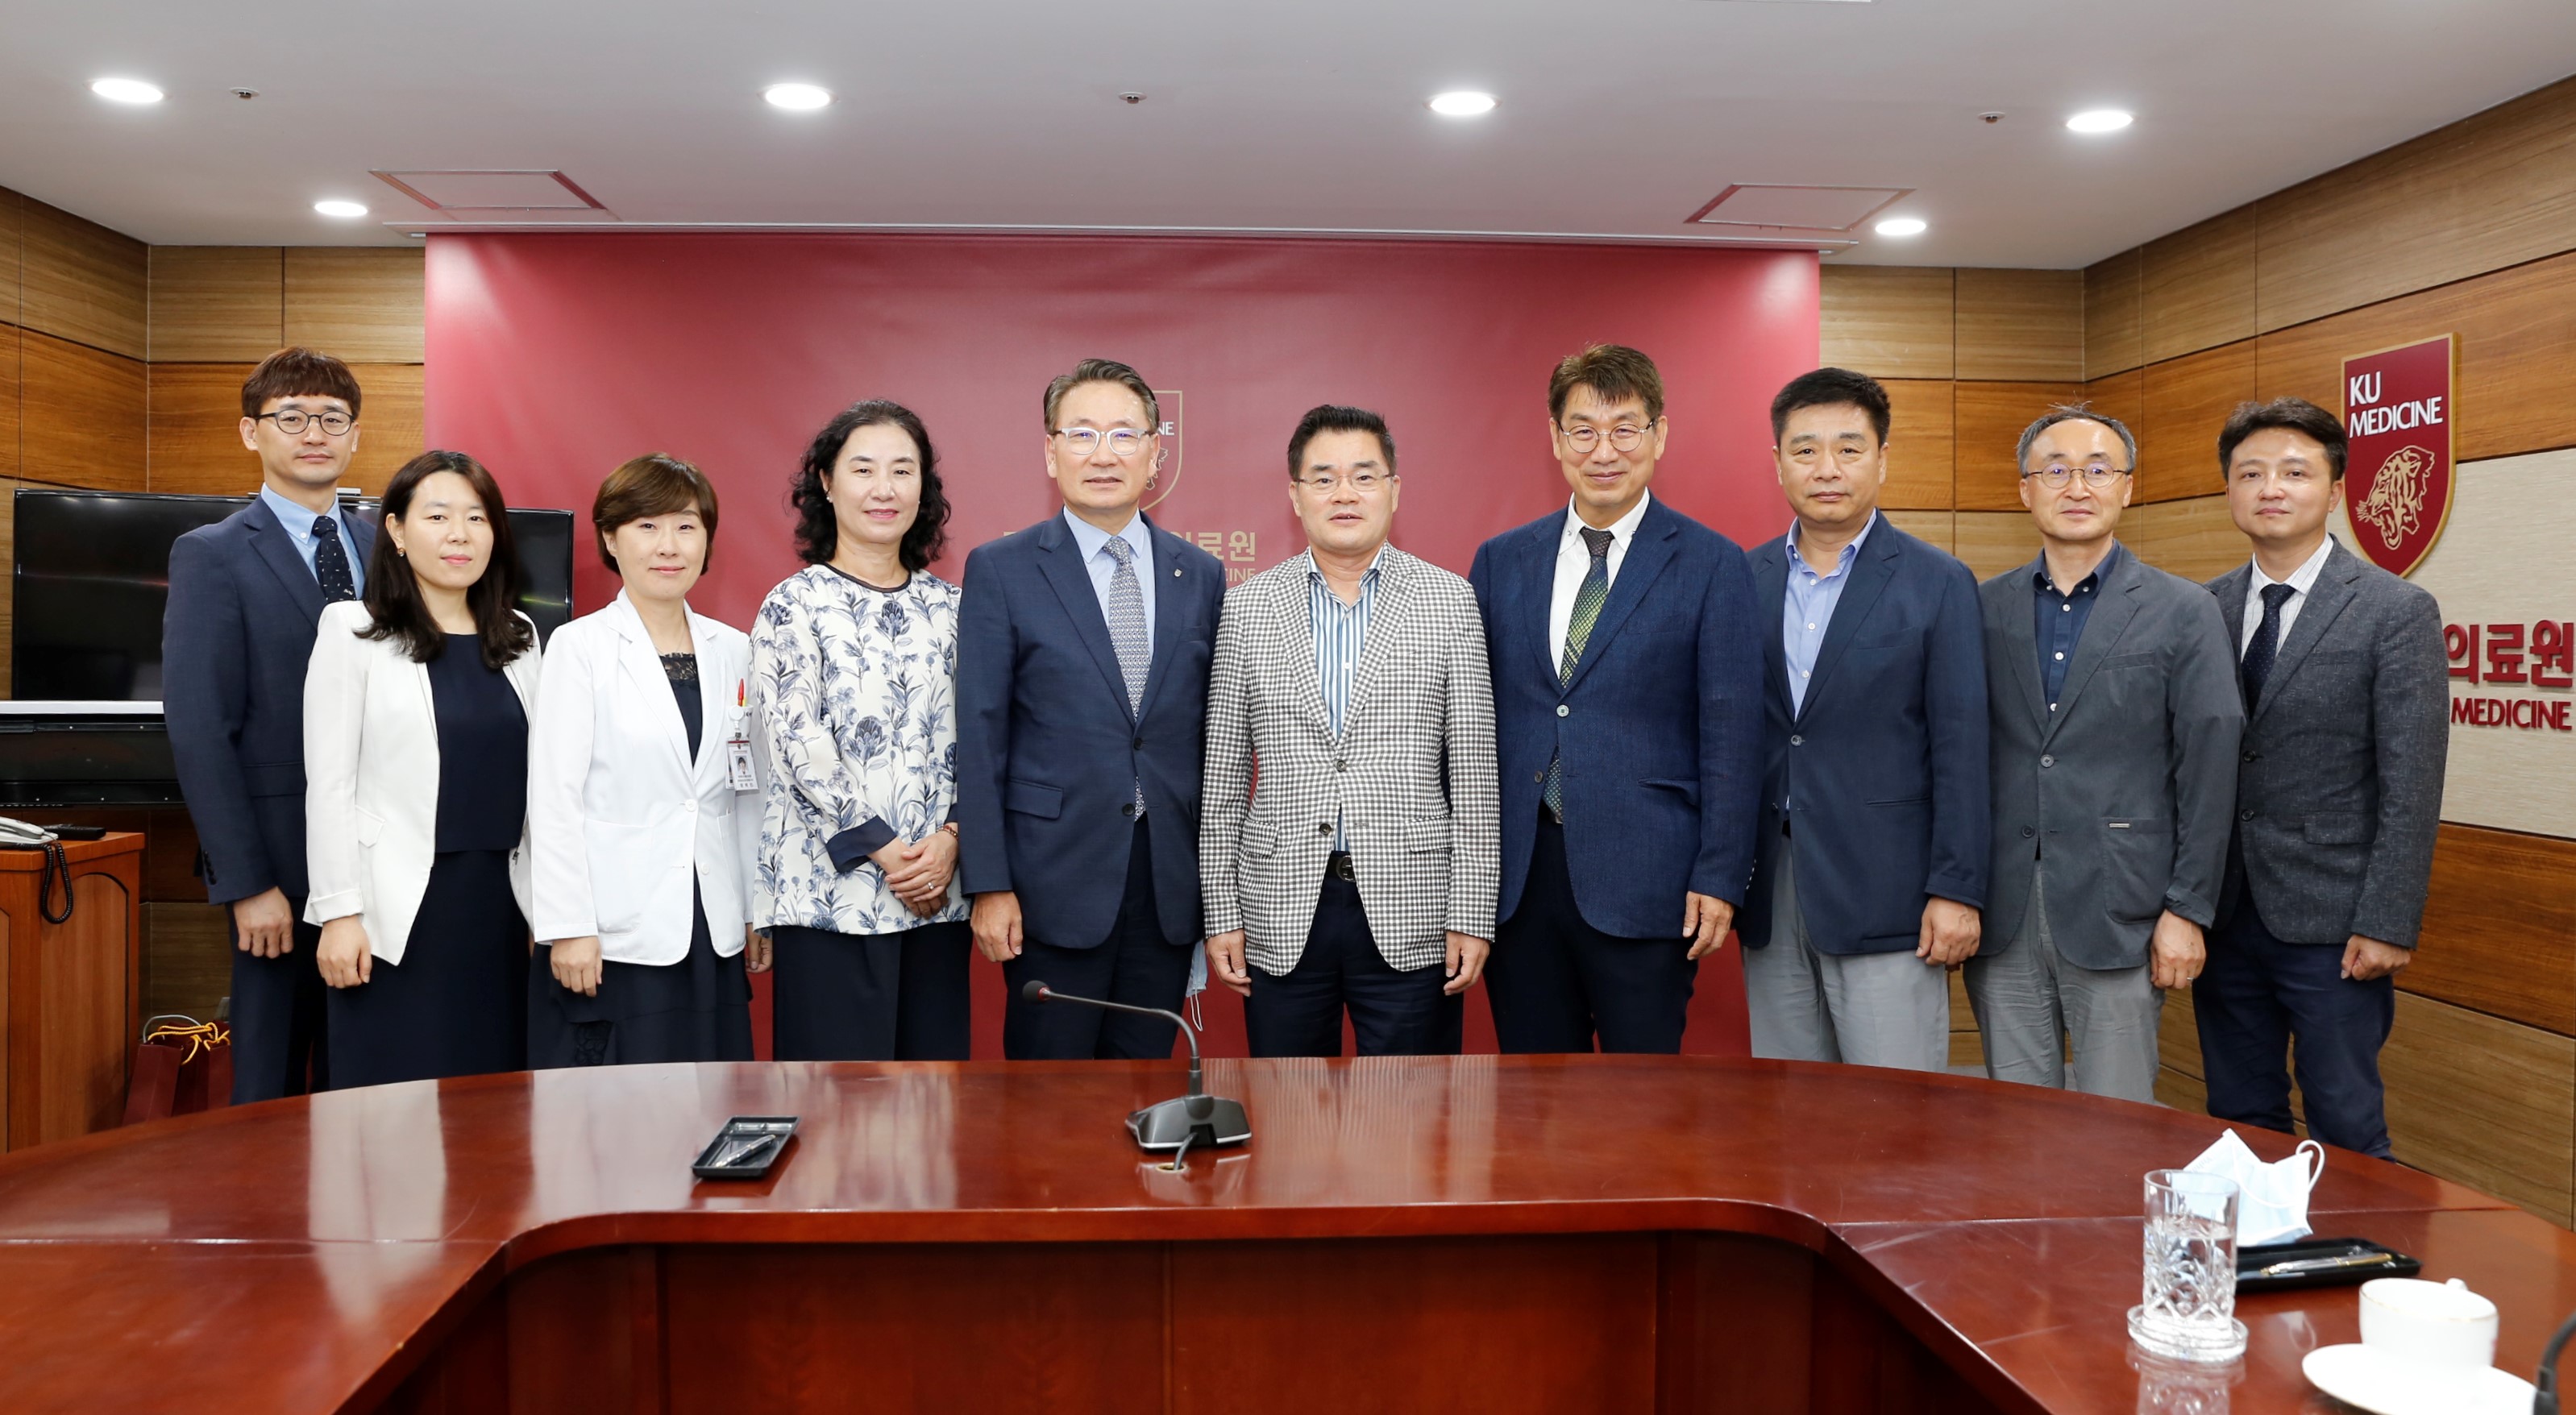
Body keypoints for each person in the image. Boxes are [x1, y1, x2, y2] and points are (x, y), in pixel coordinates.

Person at [1468, 344, 1764, 1054]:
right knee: (1534, 1096)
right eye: (1584, 430)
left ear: (1659, 436)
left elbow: (1732, 734)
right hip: (1521, 883)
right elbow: (1472, 723)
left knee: (1645, 1099)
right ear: (1555, 438)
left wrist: (1721, 876)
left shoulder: (1712, 562)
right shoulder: (1501, 560)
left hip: (1651, 880)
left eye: (1625, 429)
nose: (1604, 451)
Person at [1201, 405, 1500, 1056]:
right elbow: (1222, 777)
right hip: (1280, 908)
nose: (1344, 494)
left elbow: (1475, 775)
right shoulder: (1247, 607)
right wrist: (1220, 910)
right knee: (1284, 1107)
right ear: (1295, 495)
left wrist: (1472, 912)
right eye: (1324, 478)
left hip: (1414, 909)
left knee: (1412, 1111)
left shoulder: (1449, 601)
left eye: (1364, 476)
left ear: (1394, 489)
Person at [1967, 407, 2242, 1102]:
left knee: (2116, 1125)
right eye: (2055, 470)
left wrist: (2188, 910)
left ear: (2127, 487)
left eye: (2097, 469)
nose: (2077, 487)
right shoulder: (1981, 607)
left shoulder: (2184, 609)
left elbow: (2210, 770)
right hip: (2003, 908)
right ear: (2025, 489)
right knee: (2015, 1120)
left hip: (2125, 906)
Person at [2197, 397, 2446, 1158]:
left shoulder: (2394, 610)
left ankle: (2358, 1237)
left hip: (2337, 923)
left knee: (2346, 1123)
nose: (2271, 488)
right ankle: (2259, 1238)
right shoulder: (2202, 607)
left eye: (2295, 472)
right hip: (2223, 913)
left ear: (2335, 490)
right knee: (2239, 1119)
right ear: (2230, 490)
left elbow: (2412, 780)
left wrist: (2389, 920)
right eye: (2251, 474)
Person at [955, 359, 1225, 1060]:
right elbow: (980, 736)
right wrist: (989, 885)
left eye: (1124, 434)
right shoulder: (1002, 568)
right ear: (1051, 452)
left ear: (1155, 452)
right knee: (1048, 1102)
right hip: (1049, 885)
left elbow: (1211, 737)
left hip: (1166, 886)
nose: (1103, 454)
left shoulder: (1199, 574)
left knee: (1147, 1091)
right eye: (1081, 434)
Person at [1738, 367, 1988, 1072]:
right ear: (1778, 463)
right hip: (1773, 889)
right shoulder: (1742, 578)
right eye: (1806, 450)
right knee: (1787, 1103)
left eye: (1849, 449)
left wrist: (1956, 888)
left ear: (1881, 459)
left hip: (1890, 892)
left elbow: (1963, 749)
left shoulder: (1937, 582)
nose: (1827, 469)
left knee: (1893, 1110)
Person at [164, 348, 374, 1102]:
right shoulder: (212, 555)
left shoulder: (389, 546)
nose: (314, 433)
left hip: (380, 859)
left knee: (367, 1074)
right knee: (271, 1082)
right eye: (291, 417)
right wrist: (247, 883)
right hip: (277, 867)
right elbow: (199, 729)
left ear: (355, 435)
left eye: (332, 418)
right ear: (252, 432)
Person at [303, 450, 540, 1087]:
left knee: (496, 1106)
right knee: (392, 1110)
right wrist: (338, 914)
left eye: (476, 517)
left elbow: (541, 787)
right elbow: (329, 786)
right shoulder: (353, 630)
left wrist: (548, 913)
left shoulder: (519, 636)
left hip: (502, 908)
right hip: (395, 912)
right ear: (398, 530)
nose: (459, 534)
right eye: (437, 516)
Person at [751, 400, 970, 1060]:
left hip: (937, 898)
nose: (884, 489)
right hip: (830, 901)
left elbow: (986, 740)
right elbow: (800, 745)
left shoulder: (956, 609)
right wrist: (891, 854)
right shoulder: (793, 604)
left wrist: (953, 838)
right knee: (836, 1107)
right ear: (826, 482)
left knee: (933, 1102)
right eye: (864, 469)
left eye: (903, 470)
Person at [526, 454, 761, 1068]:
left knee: (715, 1095)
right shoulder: (580, 647)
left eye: (686, 526)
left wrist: (754, 910)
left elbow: (746, 796)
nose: (669, 546)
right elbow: (553, 799)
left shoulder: (735, 650)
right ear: (611, 538)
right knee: (624, 1106)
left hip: (711, 924)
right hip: (613, 932)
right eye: (647, 526)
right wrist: (568, 926)